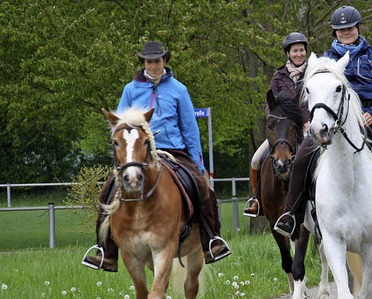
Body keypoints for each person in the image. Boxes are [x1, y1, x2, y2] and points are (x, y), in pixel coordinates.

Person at [274, 5, 372, 242]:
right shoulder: (325, 59)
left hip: (368, 118)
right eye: (340, 29)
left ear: (358, 28)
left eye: (349, 28)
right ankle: (291, 216)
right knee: (302, 160)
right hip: (334, 122)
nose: (345, 32)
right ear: (334, 33)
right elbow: (309, 92)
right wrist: (312, 119)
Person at [82, 41, 231, 272]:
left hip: (174, 152)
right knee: (108, 190)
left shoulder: (179, 90)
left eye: (157, 61)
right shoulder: (130, 90)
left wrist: (200, 167)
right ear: (143, 63)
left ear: (164, 61)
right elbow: (119, 127)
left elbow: (190, 130)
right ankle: (105, 251)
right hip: (138, 154)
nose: (153, 65)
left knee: (203, 189)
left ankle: (212, 240)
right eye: (149, 62)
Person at [243, 32, 311, 217]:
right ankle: (257, 201)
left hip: (308, 128)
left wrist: (308, 121)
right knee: (256, 159)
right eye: (294, 51)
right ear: (288, 53)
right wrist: (274, 120)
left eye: (301, 50)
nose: (298, 54)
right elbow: (269, 103)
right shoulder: (279, 76)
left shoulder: (313, 73)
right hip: (283, 129)